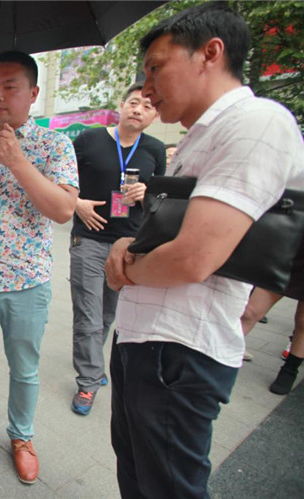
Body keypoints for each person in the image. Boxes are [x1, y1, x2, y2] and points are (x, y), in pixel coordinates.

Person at [103, 3, 304, 497]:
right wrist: (130, 244)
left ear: (210, 53)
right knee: (138, 479)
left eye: (157, 67)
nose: (147, 86)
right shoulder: (201, 136)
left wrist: (126, 268)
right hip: (147, 340)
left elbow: (195, 257)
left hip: (179, 350)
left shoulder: (257, 123)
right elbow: (166, 234)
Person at [0, 51, 78, 484]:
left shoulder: (55, 146)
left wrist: (17, 160)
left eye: (10, 87)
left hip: (26, 283)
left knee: (24, 368)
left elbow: (63, 209)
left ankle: (21, 437)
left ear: (33, 93)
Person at [69, 82, 165, 416]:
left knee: (109, 313)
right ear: (122, 106)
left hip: (129, 243)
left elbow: (161, 199)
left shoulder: (155, 149)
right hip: (88, 238)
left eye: (148, 106)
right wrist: (77, 203)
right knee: (88, 312)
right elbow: (59, 179)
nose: (139, 109)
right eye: (134, 102)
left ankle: (93, 361)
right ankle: (88, 380)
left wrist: (146, 194)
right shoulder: (89, 140)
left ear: (154, 116)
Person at [241, 246, 304, 394]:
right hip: (293, 248)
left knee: (303, 322)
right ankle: (220, 351)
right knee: (251, 311)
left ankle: (290, 370)